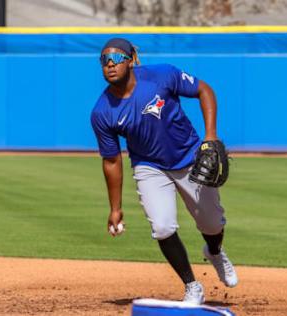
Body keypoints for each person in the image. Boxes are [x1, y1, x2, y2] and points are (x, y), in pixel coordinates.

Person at [90, 38, 238, 304]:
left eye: (116, 59)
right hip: (149, 166)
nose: (110, 65)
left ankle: (214, 251)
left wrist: (211, 136)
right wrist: (115, 208)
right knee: (162, 226)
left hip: (189, 156)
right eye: (104, 60)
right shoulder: (102, 112)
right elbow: (111, 160)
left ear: (132, 60)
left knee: (212, 223)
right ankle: (192, 286)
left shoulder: (162, 75)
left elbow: (204, 90)